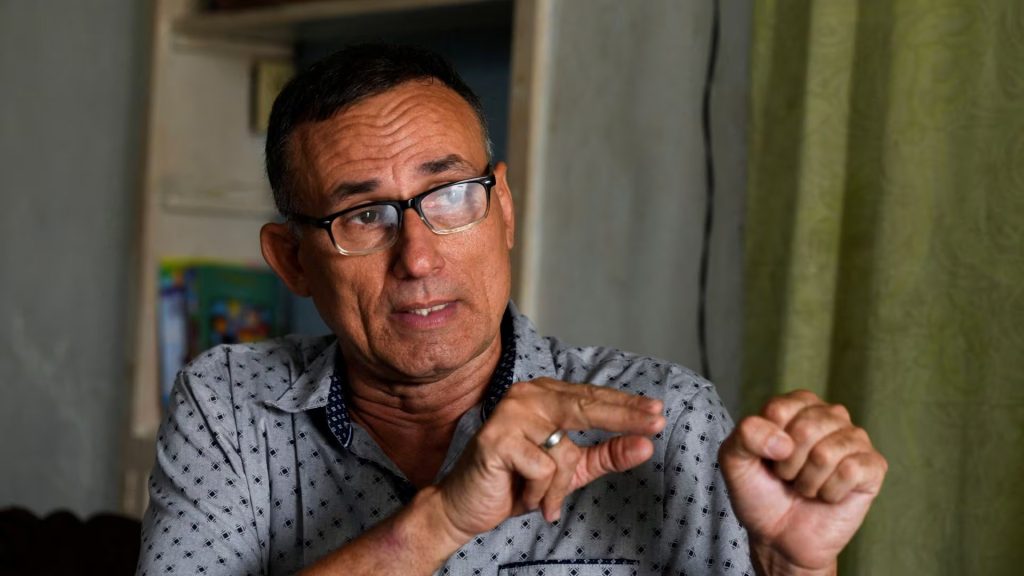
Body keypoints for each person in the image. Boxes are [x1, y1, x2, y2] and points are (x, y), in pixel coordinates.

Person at [137, 44, 886, 576]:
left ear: (503, 213)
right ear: (293, 261)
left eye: (450, 196)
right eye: (364, 216)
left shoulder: (666, 424)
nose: (418, 259)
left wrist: (794, 566)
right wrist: (442, 520)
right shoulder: (230, 405)